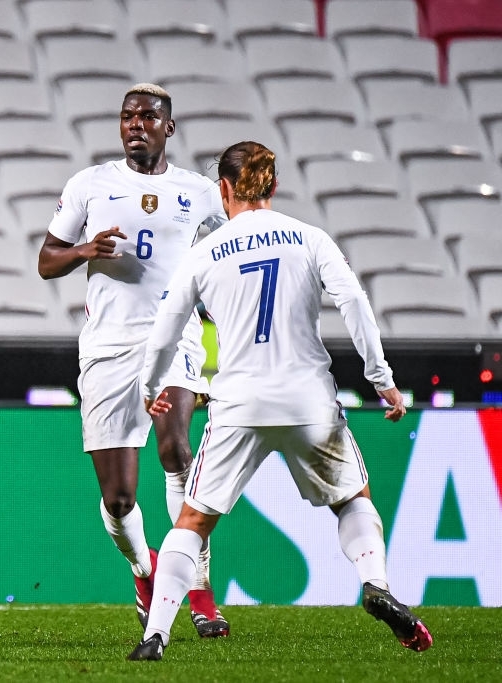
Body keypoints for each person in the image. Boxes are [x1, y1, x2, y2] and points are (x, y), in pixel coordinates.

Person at [128, 141, 433, 661]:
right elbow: (354, 302)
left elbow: (164, 331)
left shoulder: (205, 252)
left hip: (239, 403)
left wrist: (152, 388)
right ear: (272, 185)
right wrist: (381, 378)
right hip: (308, 400)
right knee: (352, 499)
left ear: (224, 189)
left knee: (194, 523)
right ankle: (375, 583)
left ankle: (154, 635)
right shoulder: (310, 238)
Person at [37, 83, 230, 637]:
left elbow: (223, 263)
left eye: (148, 116)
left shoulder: (199, 193)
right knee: (118, 499)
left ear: (169, 126)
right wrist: (83, 251)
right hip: (108, 348)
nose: (135, 125)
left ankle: (197, 591)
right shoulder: (90, 185)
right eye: (127, 117)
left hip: (174, 340)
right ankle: (146, 569)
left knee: (177, 451)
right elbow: (46, 261)